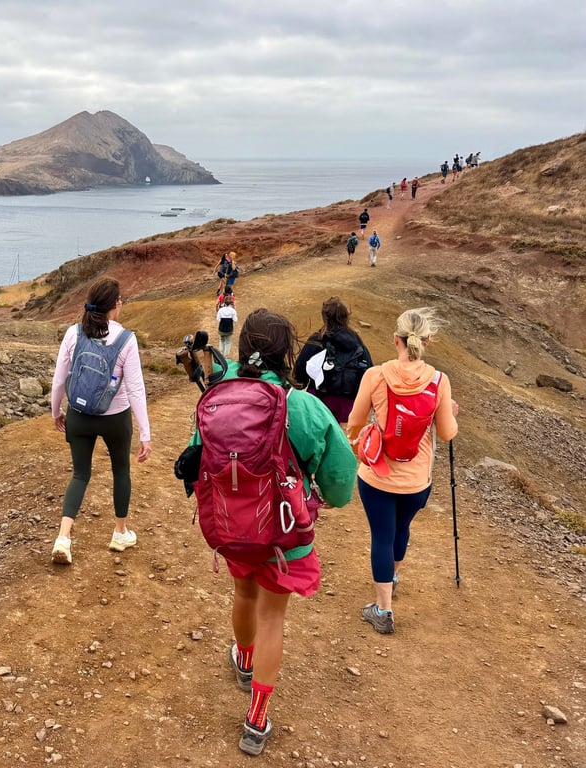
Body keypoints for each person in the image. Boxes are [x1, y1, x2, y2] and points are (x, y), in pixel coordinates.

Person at [188, 308, 357, 756]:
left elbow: (195, 459)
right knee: (272, 616)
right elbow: (341, 483)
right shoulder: (303, 406)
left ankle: (243, 661)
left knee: (243, 595)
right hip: (285, 531)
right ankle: (257, 719)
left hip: (233, 523)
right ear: (289, 354)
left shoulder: (219, 399)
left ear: (243, 350)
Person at [346, 307, 459, 634]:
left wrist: (362, 444)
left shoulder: (375, 376)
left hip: (377, 477)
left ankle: (383, 610)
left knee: (381, 535)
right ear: (428, 342)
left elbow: (354, 422)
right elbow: (448, 433)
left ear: (395, 339)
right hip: (416, 481)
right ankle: (391, 578)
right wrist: (450, 412)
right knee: (400, 529)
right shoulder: (439, 382)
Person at [49, 277, 152, 565]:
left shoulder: (73, 333)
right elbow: (135, 390)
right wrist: (145, 433)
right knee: (121, 471)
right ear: (115, 306)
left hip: (79, 416)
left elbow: (59, 380)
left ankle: (64, 538)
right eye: (120, 302)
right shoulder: (126, 339)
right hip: (115, 419)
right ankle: (120, 533)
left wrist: (56, 411)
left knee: (80, 474)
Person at [294, 296, 373, 426]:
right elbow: (369, 369)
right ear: (346, 317)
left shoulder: (317, 339)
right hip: (349, 407)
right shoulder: (357, 341)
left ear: (325, 317)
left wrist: (301, 384)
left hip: (319, 402)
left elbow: (300, 368)